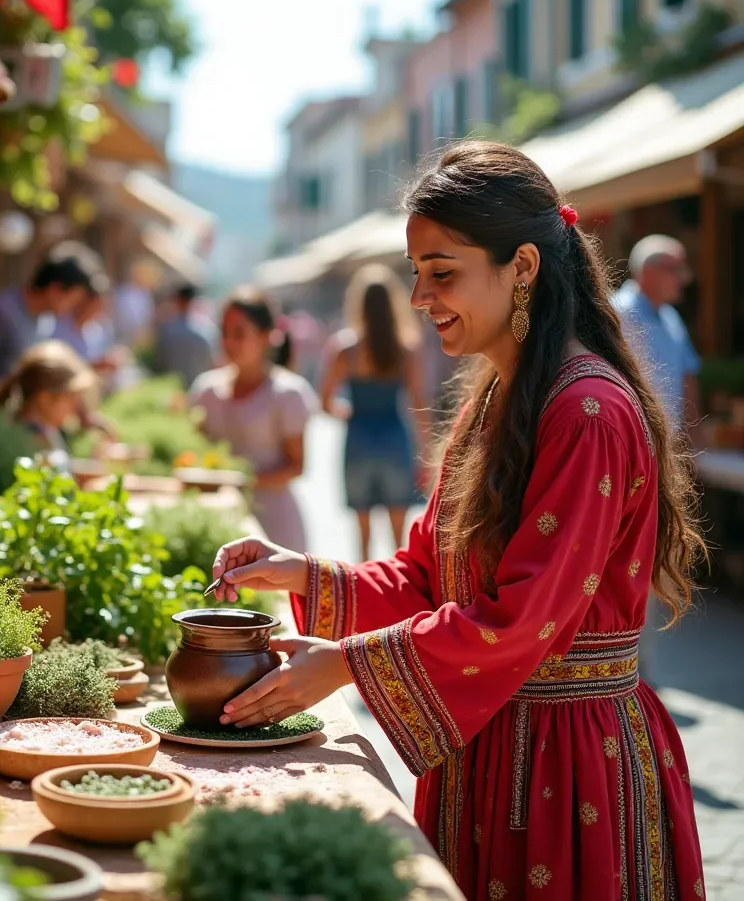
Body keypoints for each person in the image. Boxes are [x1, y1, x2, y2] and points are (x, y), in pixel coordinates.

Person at [209, 143, 706, 901]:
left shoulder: (588, 412)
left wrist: (345, 663)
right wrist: (303, 570)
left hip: (568, 767)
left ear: (524, 268)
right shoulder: (494, 400)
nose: (419, 296)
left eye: (443, 273)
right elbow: (425, 573)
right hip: (495, 747)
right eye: (417, 273)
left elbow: (518, 617)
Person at [189, 287, 317, 553]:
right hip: (217, 522)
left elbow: (296, 466)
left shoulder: (288, 393)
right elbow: (196, 451)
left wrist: (241, 481)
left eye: (239, 333)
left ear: (265, 336)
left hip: (275, 525)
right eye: (224, 333)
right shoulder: (206, 390)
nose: (229, 342)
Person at [320, 263, 430, 561]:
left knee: (363, 539)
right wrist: (427, 457)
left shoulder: (345, 350)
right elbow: (418, 404)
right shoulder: (405, 350)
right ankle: (401, 600)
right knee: (399, 540)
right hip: (394, 439)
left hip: (358, 440)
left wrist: (347, 412)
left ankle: (364, 601)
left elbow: (325, 402)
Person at [0, 245, 102, 394]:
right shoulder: (1, 312)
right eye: (72, 300)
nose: (72, 308)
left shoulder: (46, 320)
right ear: (55, 289)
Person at [612, 235, 700, 435]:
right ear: (649, 271)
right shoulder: (616, 313)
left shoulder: (671, 317)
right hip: (628, 440)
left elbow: (688, 376)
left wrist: (694, 437)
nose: (685, 279)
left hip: (665, 442)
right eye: (676, 270)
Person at [0, 340, 98, 467]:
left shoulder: (47, 430)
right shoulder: (29, 443)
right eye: (71, 399)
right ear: (44, 398)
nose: (74, 408)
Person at [155, 284, 215, 387]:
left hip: (172, 389)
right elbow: (212, 361)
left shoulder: (168, 330)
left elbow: (159, 361)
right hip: (199, 387)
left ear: (177, 301)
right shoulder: (207, 330)